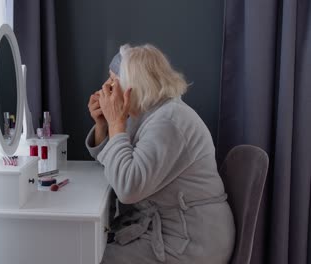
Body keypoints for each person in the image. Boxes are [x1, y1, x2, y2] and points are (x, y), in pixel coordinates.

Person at [86, 44, 235, 263]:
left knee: (91, 256)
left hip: (191, 240)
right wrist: (104, 126)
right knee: (89, 250)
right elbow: (115, 170)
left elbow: (128, 188)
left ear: (131, 86)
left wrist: (116, 125)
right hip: (168, 229)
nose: (106, 88)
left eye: (112, 81)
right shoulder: (147, 114)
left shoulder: (170, 121)